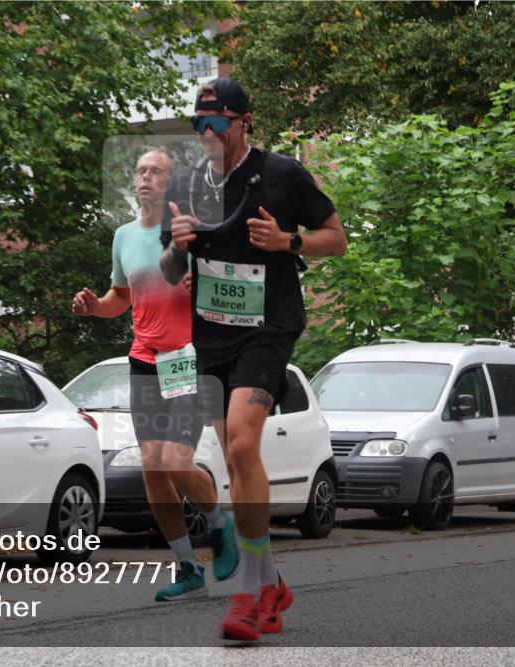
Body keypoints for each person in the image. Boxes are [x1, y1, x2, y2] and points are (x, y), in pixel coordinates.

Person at [159, 79, 347, 640]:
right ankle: (271, 583)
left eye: (217, 122)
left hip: (268, 329)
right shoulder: (187, 185)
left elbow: (336, 238)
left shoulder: (283, 174)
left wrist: (289, 242)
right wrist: (176, 247)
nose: (207, 133)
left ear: (243, 123)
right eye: (199, 123)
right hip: (211, 336)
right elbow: (170, 272)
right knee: (236, 458)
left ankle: (245, 594)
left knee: (243, 444)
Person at [72, 147, 239, 601]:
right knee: (152, 469)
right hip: (144, 360)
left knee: (175, 460)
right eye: (140, 170)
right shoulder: (124, 236)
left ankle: (221, 525)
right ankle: (188, 568)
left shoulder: (190, 231)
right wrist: (95, 307)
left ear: (172, 182)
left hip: (188, 357)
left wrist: (204, 283)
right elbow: (120, 298)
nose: (145, 177)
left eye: (155, 171)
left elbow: (230, 287)